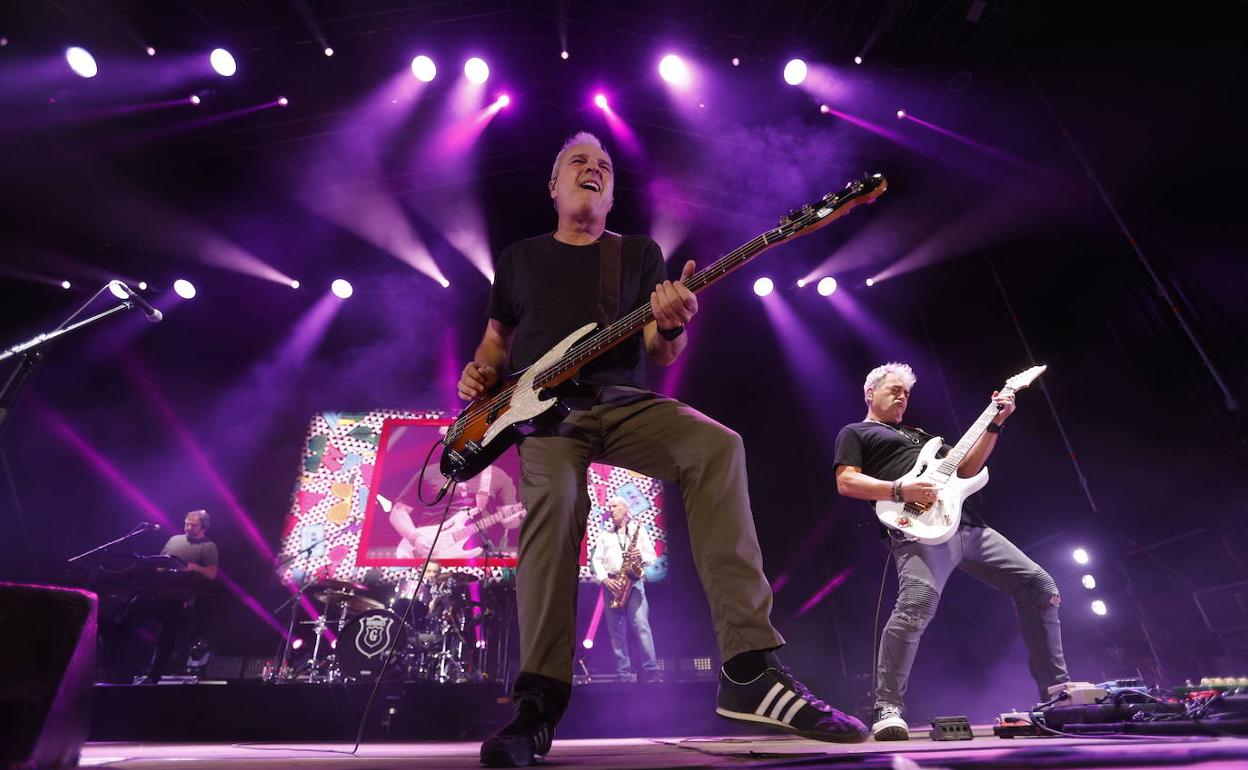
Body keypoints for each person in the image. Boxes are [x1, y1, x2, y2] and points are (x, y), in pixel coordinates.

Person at [462, 131, 866, 767]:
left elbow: (659, 350)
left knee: (717, 446)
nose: (593, 169)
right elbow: (494, 340)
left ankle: (748, 668)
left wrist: (672, 322)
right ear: (554, 185)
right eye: (579, 162)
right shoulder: (518, 258)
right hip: (542, 419)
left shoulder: (638, 254)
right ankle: (538, 704)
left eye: (604, 166)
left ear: (613, 190)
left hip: (622, 403)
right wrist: (481, 374)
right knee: (557, 501)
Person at [833, 362, 1070, 741]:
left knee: (1040, 586)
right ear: (869, 393)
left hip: (970, 526)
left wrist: (995, 422)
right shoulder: (857, 432)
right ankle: (887, 706)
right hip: (918, 530)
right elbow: (846, 481)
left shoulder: (923, 436)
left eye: (907, 392)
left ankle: (1057, 696)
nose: (902, 396)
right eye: (894, 389)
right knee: (918, 603)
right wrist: (899, 491)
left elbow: (969, 467)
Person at [590, 497, 659, 682]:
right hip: (612, 584)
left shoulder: (638, 529)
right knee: (616, 632)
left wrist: (640, 555)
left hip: (634, 583)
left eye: (614, 506)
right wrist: (604, 579)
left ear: (625, 509)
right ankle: (624, 674)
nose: (610, 509)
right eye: (609, 506)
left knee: (642, 626)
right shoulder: (605, 534)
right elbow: (596, 560)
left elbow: (652, 556)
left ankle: (651, 671)